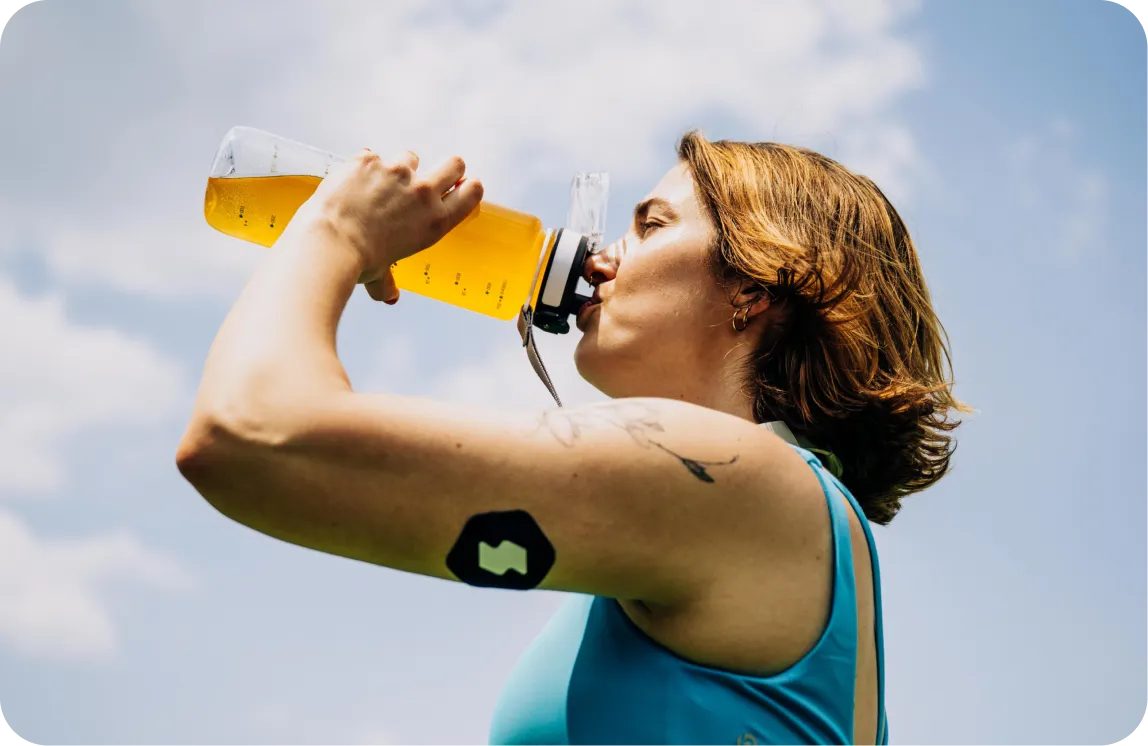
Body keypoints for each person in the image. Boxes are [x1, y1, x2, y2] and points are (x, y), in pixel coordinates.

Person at [176, 130, 969, 746]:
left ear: (755, 286)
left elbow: (250, 434)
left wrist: (334, 231)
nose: (601, 258)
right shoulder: (778, 509)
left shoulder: (740, 478)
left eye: (650, 227)